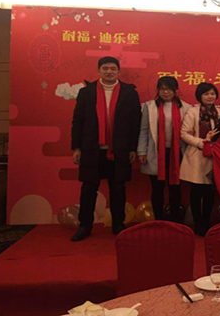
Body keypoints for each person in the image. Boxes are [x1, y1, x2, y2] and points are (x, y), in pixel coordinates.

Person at [71, 56, 141, 241]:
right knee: (88, 188)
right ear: (98, 71)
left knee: (118, 188)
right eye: (105, 68)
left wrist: (133, 148)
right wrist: (76, 147)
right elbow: (78, 121)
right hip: (91, 149)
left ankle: (118, 224)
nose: (109, 71)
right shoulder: (86, 92)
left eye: (113, 68)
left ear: (119, 71)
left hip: (120, 149)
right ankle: (85, 225)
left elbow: (135, 123)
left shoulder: (129, 93)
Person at [137, 76, 191, 222]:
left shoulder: (186, 107)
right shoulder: (150, 107)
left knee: (175, 188)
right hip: (155, 153)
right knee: (157, 188)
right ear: (158, 90)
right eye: (162, 89)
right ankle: (158, 220)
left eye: (169, 89)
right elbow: (144, 130)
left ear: (176, 90)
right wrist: (141, 151)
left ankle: (175, 220)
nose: (166, 92)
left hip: (177, 153)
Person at [180, 82, 220, 236]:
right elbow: (184, 134)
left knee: (210, 192)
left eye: (212, 93)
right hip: (197, 156)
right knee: (196, 192)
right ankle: (198, 223)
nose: (210, 96)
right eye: (206, 94)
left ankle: (206, 222)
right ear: (199, 96)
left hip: (215, 156)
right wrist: (203, 143)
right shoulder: (193, 112)